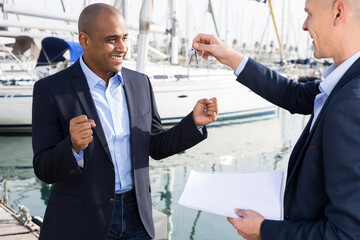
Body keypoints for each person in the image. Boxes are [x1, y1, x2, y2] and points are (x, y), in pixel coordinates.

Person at [32, 3, 218, 240]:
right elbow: (43, 168)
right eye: (112, 39)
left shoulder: (140, 83)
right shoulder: (50, 90)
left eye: (124, 38)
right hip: (83, 223)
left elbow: (156, 145)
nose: (123, 48)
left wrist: (193, 123)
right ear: (84, 40)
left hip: (137, 217)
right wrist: (72, 148)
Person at [192, 0, 360, 239]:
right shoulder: (343, 84)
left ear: (338, 12)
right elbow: (293, 94)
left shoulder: (351, 103)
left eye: (309, 14)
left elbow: (347, 233)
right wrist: (229, 56)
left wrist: (264, 230)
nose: (304, 25)